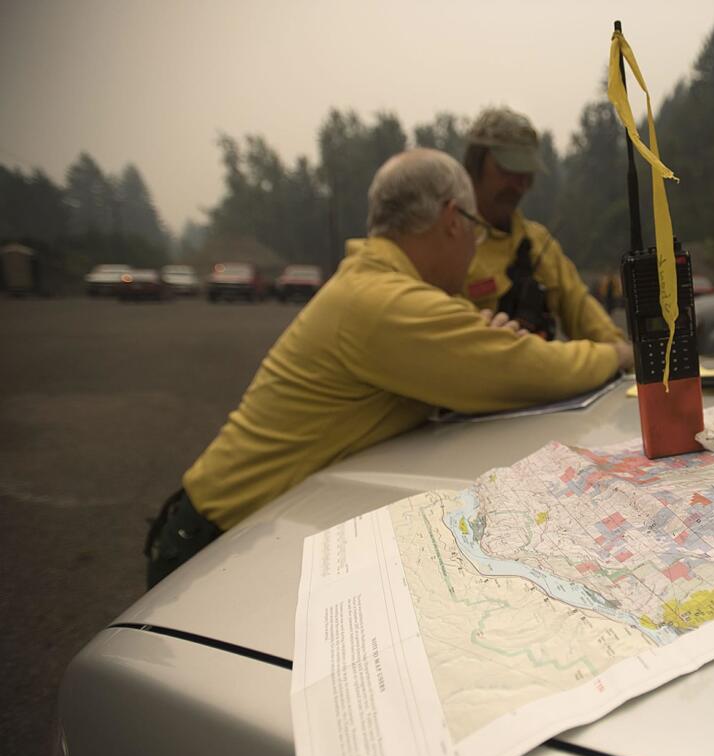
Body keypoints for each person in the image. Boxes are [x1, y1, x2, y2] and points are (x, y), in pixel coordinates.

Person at [145, 148, 632, 587]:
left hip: (241, 525)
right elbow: (530, 370)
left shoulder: (377, 288)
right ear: (452, 219)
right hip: (215, 539)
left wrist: (482, 342)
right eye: (476, 232)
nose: (475, 250)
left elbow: (489, 354)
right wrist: (617, 354)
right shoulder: (382, 303)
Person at [462, 106, 626, 343]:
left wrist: (621, 353)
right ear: (475, 165)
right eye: (508, 169)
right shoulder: (449, 244)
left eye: (526, 173)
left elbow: (586, 315)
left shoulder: (540, 243)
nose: (519, 185)